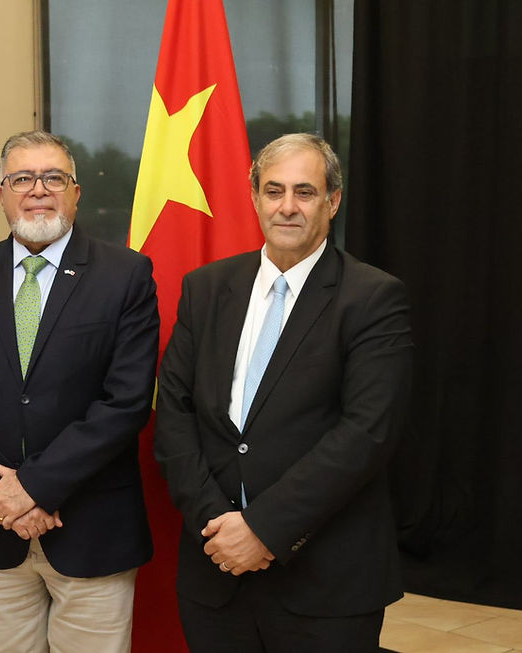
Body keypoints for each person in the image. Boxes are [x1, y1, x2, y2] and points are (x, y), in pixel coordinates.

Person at [155, 133, 413, 651]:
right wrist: (219, 526)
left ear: (333, 201)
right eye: (273, 191)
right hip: (215, 571)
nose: (287, 207)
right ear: (254, 198)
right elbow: (175, 416)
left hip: (326, 582)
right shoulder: (206, 288)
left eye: (305, 192)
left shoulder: (373, 297)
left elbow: (366, 434)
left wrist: (262, 530)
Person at [0, 130, 159, 652]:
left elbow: (125, 402)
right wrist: (4, 497)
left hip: (92, 532)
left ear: (76, 192)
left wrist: (34, 488)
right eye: (22, 178)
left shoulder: (126, 276)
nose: (38, 190)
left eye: (54, 178)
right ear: (1, 193)